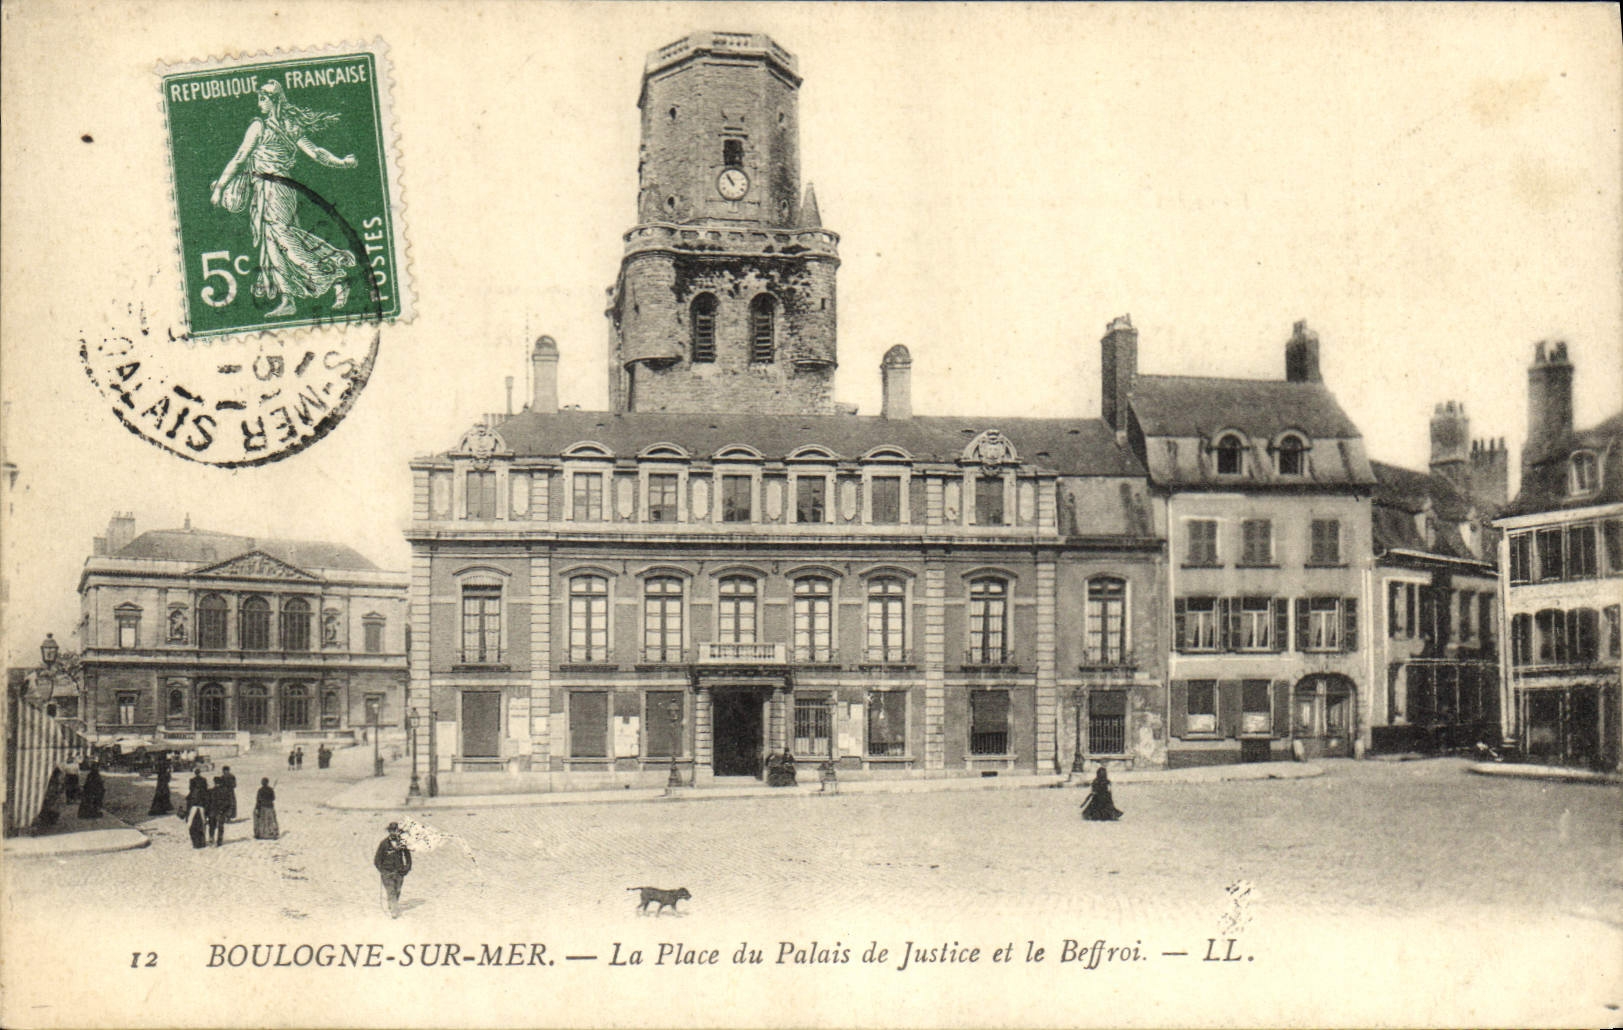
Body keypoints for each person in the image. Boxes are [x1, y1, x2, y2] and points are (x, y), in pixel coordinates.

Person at [209, 80, 359, 318]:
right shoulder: (290, 126)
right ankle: (289, 298)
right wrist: (341, 162)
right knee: (275, 243)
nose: (259, 104)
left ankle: (333, 276)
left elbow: (239, 158)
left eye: (263, 99)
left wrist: (219, 188)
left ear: (275, 100)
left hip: (273, 190)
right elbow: (317, 153)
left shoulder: (259, 126)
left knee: (284, 240)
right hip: (280, 190)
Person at [373, 821, 412, 918]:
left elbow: (408, 857)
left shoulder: (402, 843)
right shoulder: (383, 844)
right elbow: (377, 860)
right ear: (389, 831)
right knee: (391, 891)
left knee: (397, 890)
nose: (394, 832)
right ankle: (394, 911)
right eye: (392, 830)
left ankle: (392, 904)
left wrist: (406, 868)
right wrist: (383, 871)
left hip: (399, 872)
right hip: (387, 872)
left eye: (395, 830)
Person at [181, 777, 208, 849]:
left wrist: (187, 815)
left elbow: (189, 804)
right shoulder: (205, 793)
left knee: (193, 828)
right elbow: (207, 803)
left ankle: (195, 843)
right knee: (201, 827)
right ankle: (202, 843)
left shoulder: (192, 793)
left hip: (193, 812)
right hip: (201, 811)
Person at [205, 776, 230, 846]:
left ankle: (211, 838)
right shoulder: (225, 791)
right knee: (220, 826)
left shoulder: (211, 791)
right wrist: (224, 810)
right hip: (220, 811)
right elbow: (227, 802)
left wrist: (207, 812)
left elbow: (208, 802)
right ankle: (219, 840)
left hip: (212, 811)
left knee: (212, 825)